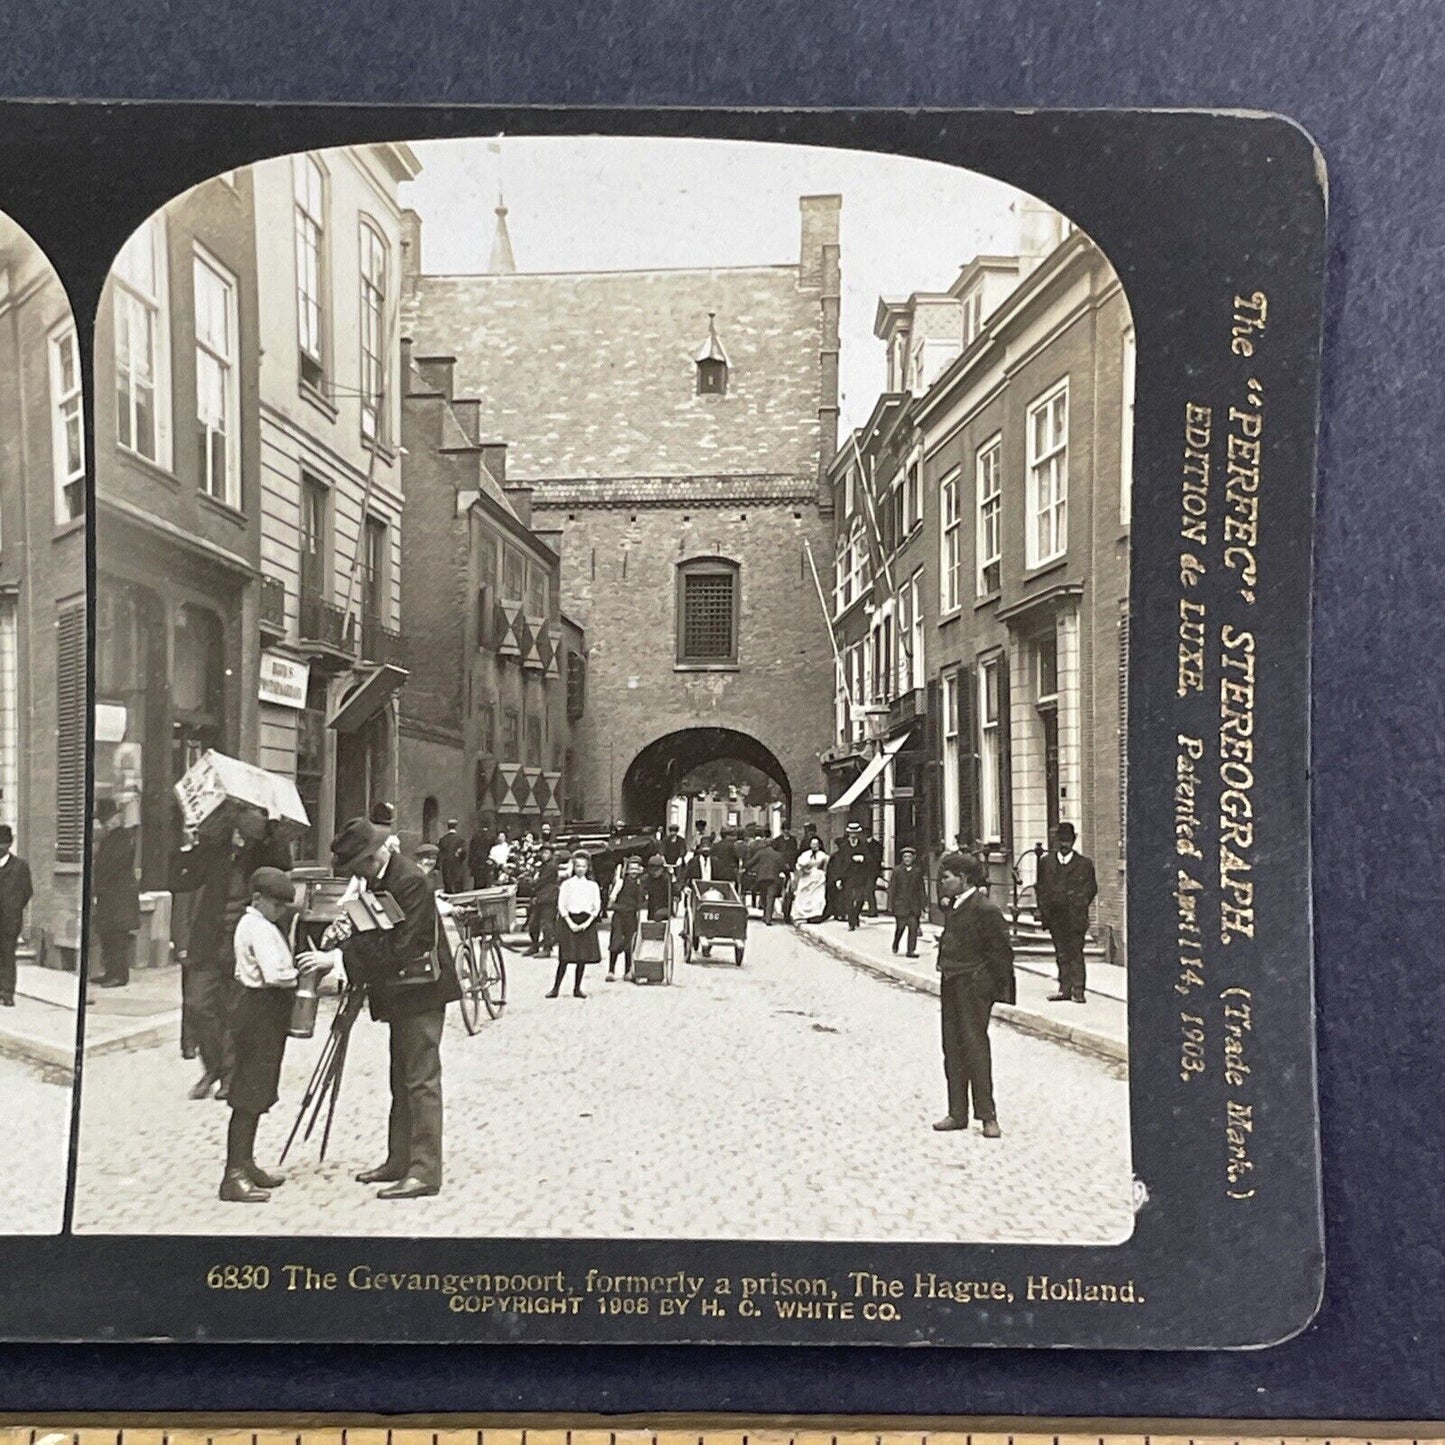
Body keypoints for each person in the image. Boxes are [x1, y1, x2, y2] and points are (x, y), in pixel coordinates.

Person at [301, 817, 460, 1200]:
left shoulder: (410, 882)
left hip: (422, 991)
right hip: (400, 990)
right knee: (400, 1077)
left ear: (371, 858)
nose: (356, 875)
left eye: (356, 867)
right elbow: (373, 932)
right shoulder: (378, 880)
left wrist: (339, 961)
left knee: (421, 1080)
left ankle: (425, 1171)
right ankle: (399, 1159)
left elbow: (403, 946)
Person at [220, 866, 333, 1203]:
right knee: (248, 1093)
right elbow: (274, 975)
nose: (282, 911)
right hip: (259, 1012)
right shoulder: (258, 928)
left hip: (261, 1012)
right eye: (277, 904)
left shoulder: (261, 924)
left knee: (258, 1090)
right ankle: (234, 1175)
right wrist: (298, 971)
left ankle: (246, 1163)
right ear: (258, 899)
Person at [171, 812, 290, 1099]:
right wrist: (193, 843)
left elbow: (283, 869)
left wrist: (272, 833)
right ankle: (213, 1067)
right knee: (197, 1004)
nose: (246, 827)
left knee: (234, 1010)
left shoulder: (264, 850)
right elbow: (181, 880)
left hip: (245, 943)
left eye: (253, 822)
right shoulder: (215, 846)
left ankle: (229, 1074)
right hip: (210, 942)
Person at [933, 851, 1015, 1139]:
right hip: (952, 982)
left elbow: (1001, 953)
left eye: (947, 878)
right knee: (952, 1048)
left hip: (973, 986)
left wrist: (991, 991)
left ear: (963, 879)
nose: (942, 883)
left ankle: (987, 1116)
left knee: (976, 1049)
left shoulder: (985, 909)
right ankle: (957, 1112)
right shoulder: (955, 906)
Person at [1035, 822, 1099, 1004]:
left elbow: (1091, 888)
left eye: (1068, 841)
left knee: (1075, 952)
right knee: (1061, 953)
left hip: (1075, 917)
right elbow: (1040, 887)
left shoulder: (1084, 864)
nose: (1064, 845)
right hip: (1055, 917)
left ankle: (1078, 990)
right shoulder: (1046, 862)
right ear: (1056, 841)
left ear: (1074, 841)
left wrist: (1079, 903)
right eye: (1061, 841)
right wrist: (1044, 910)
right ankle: (1064, 988)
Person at [91, 799, 139, 990]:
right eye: (105, 820)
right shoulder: (109, 838)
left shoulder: (123, 838)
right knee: (108, 936)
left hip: (119, 897)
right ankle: (111, 972)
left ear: (117, 818)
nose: (107, 823)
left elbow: (114, 865)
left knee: (118, 938)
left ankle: (120, 975)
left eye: (110, 818)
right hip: (109, 896)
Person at [551, 851, 601, 998]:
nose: (580, 869)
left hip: (586, 921)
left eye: (583, 866)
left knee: (582, 957)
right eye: (578, 866)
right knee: (564, 958)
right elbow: (562, 905)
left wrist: (586, 923)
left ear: (588, 868)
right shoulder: (567, 885)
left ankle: (577, 988)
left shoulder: (592, 886)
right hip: (569, 921)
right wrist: (570, 922)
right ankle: (556, 988)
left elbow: (596, 907)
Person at [0, 825, 33, 1008]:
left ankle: (7, 992)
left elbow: (27, 891)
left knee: (7, 956)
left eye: (3, 844)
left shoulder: (20, 866)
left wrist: (13, 908)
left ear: (9, 845)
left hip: (10, 921)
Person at [606, 856, 645, 981]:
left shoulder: (640, 883)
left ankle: (628, 971)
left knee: (630, 943)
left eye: (636, 869)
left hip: (632, 916)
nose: (634, 871)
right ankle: (611, 971)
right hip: (619, 915)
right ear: (627, 870)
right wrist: (615, 905)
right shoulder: (621, 882)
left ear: (640, 870)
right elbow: (612, 898)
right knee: (616, 942)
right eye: (631, 869)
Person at [888, 845, 930, 958]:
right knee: (900, 928)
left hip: (913, 906)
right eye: (905, 857)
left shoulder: (917, 871)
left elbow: (921, 888)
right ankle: (896, 942)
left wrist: (923, 904)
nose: (907, 859)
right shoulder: (897, 870)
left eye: (909, 857)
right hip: (900, 905)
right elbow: (892, 888)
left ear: (913, 858)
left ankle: (910, 951)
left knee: (913, 928)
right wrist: (890, 905)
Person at [840, 821, 875, 931]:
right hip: (848, 876)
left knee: (860, 899)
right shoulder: (844, 847)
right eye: (851, 833)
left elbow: (870, 859)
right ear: (849, 834)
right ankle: (851, 922)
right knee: (849, 900)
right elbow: (840, 862)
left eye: (855, 833)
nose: (853, 835)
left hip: (861, 876)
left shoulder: (863, 845)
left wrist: (863, 859)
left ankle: (855, 915)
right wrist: (839, 878)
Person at [527, 854, 563, 957]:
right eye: (543, 852)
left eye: (547, 853)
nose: (544, 855)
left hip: (549, 897)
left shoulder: (551, 866)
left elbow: (543, 880)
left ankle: (547, 948)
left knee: (547, 924)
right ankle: (535, 945)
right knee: (533, 923)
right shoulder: (541, 866)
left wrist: (533, 883)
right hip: (539, 897)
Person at [749, 836, 787, 926]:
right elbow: (783, 867)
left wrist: (746, 868)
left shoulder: (760, 853)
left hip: (762, 878)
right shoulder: (778, 855)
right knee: (770, 897)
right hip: (773, 878)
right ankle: (768, 918)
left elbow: (751, 862)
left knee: (763, 895)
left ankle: (764, 915)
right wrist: (787, 873)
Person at [791, 836, 829, 923]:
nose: (814, 846)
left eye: (816, 844)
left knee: (818, 896)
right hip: (806, 877)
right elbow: (799, 865)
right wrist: (803, 868)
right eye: (812, 844)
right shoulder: (805, 855)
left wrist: (823, 873)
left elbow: (825, 866)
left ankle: (816, 914)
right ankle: (803, 913)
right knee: (804, 895)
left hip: (818, 878)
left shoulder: (823, 855)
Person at [822, 836, 850, 923]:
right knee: (839, 897)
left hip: (840, 879)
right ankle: (839, 913)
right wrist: (837, 879)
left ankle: (840, 913)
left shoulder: (839, 856)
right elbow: (834, 869)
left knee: (841, 897)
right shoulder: (837, 856)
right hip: (837, 879)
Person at [437, 819, 468, 895]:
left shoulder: (442, 840)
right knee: (458, 884)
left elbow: (439, 854)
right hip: (457, 864)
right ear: (456, 827)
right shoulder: (460, 840)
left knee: (448, 884)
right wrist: (461, 858)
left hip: (446, 864)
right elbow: (464, 853)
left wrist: (437, 867)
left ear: (448, 827)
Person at [642, 853, 674, 921]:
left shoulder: (667, 879)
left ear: (662, 869)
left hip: (665, 908)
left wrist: (672, 878)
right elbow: (642, 891)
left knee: (658, 915)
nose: (654, 873)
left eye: (657, 871)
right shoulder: (646, 879)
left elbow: (674, 891)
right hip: (652, 909)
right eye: (652, 871)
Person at [468, 817, 496, 890]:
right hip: (486, 864)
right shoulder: (489, 837)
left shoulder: (475, 838)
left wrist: (471, 865)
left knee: (478, 884)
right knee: (486, 884)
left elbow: (472, 852)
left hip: (476, 864)